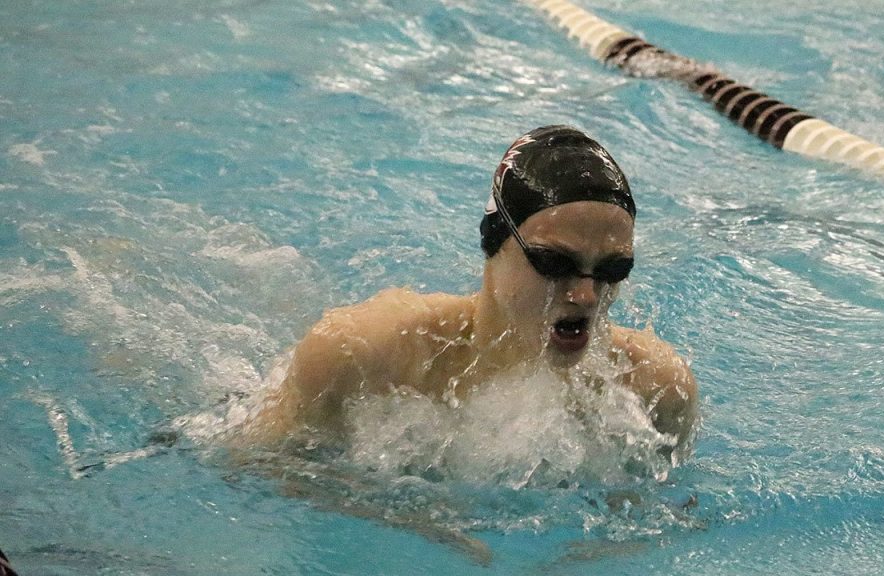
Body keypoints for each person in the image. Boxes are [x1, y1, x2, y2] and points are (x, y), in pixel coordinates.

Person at [250, 125, 697, 453]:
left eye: (612, 271)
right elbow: (257, 469)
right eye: (554, 263)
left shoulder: (656, 389)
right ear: (495, 245)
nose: (586, 295)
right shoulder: (362, 355)